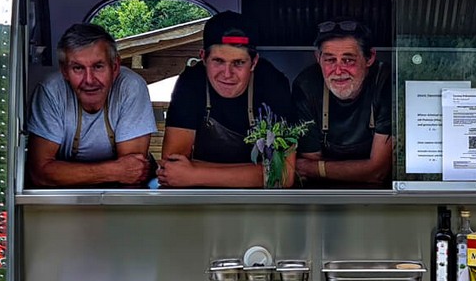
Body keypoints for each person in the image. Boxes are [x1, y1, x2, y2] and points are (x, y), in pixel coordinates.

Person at [157, 11, 295, 188]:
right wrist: (257, 172)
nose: (227, 74)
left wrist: (195, 173)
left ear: (254, 63)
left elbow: (282, 175)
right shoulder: (190, 83)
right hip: (200, 197)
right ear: (203, 58)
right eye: (218, 61)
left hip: (261, 200)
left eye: (238, 63)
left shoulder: (272, 83)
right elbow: (171, 169)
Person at [25, 23, 156, 187]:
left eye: (98, 66)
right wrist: (113, 171)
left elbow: (133, 173)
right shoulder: (50, 91)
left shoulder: (131, 87)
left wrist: (65, 173)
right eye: (78, 68)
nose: (89, 80)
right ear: (65, 71)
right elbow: (40, 173)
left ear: (115, 67)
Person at [293, 19, 392, 187]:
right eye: (330, 60)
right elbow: (310, 172)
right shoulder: (306, 87)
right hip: (326, 195)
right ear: (318, 58)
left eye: (348, 60)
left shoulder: (386, 83)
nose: (338, 71)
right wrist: (363, 169)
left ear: (370, 58)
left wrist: (316, 168)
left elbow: (378, 172)